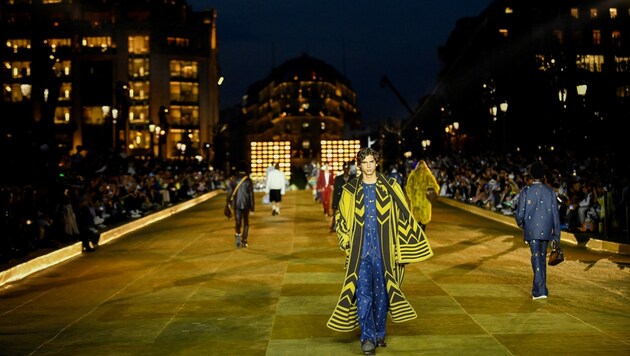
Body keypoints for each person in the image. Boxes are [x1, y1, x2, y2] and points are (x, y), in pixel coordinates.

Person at [327, 147, 433, 355]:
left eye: (371, 162)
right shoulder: (350, 190)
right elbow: (340, 219)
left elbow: (404, 216)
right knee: (363, 293)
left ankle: (380, 332)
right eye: (364, 162)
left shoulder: (391, 187)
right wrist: (346, 240)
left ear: (377, 163)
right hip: (360, 252)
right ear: (359, 165)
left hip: (385, 251)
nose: (368, 166)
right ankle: (367, 337)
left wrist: (404, 246)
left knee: (383, 293)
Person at [514, 161, 561, 300]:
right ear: (544, 175)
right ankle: (541, 288)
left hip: (531, 229)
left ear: (531, 175)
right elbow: (555, 216)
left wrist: (523, 225)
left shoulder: (526, 191)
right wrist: (556, 236)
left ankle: (539, 291)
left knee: (536, 255)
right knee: (540, 256)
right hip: (547, 229)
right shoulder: (551, 192)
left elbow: (520, 215)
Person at [405, 160, 440, 232]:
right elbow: (435, 186)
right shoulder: (428, 174)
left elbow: (408, 186)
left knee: (416, 218)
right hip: (425, 201)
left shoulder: (413, 174)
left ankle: (417, 233)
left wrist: (411, 196)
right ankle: (422, 231)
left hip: (415, 201)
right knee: (424, 219)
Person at [226, 162, 255, 248]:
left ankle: (238, 235)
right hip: (246, 204)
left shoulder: (233, 180)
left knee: (238, 222)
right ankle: (244, 241)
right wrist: (252, 208)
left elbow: (229, 193)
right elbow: (251, 195)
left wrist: (228, 203)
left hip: (236, 204)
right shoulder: (248, 180)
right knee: (246, 222)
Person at [329, 161, 356, 233]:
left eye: (348, 168)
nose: (346, 170)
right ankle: (336, 226)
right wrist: (334, 205)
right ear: (343, 169)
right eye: (345, 168)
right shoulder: (338, 179)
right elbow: (335, 192)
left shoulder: (353, 179)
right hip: (340, 200)